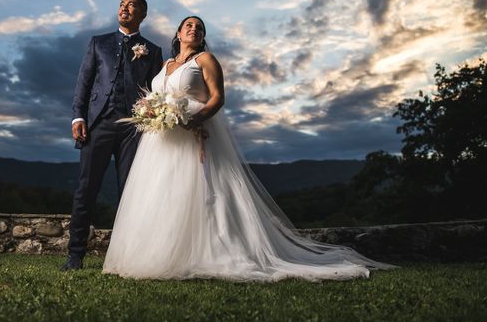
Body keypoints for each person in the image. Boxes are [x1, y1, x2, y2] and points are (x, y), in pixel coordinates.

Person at [103, 15, 394, 281]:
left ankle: (210, 251)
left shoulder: (205, 60)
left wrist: (195, 119)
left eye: (200, 28)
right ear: (178, 33)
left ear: (202, 37)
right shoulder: (165, 66)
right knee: (162, 193)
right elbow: (157, 94)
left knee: (202, 191)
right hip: (162, 139)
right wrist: (150, 110)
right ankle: (157, 252)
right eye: (189, 25)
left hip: (195, 133)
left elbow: (218, 98)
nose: (194, 29)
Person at [61, 0, 163, 271]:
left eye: (131, 6)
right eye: (122, 5)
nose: (124, 9)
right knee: (86, 189)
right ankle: (75, 255)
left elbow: (156, 92)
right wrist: (77, 117)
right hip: (98, 125)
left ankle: (129, 256)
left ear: (142, 14)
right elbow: (84, 82)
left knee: (131, 193)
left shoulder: (152, 51)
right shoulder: (98, 43)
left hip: (134, 129)